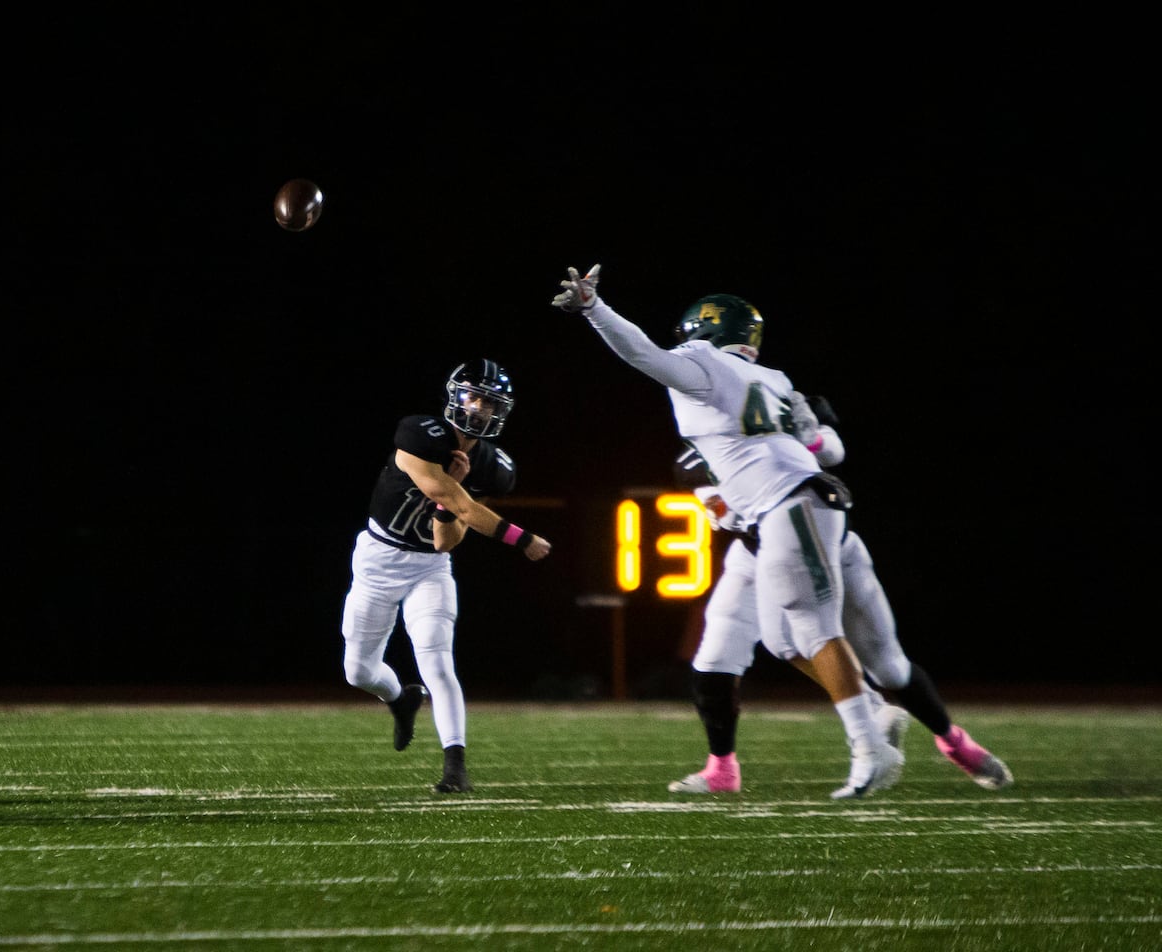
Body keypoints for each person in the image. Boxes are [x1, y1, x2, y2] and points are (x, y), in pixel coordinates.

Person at [553, 265, 902, 799]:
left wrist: (595, 310)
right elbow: (826, 450)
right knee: (785, 639)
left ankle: (870, 742)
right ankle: (869, 716)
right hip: (786, 506)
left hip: (791, 502)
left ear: (703, 332)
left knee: (811, 628)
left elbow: (643, 354)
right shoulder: (774, 379)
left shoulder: (704, 362)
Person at [667, 395, 1013, 794]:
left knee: (887, 666)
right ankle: (723, 769)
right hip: (754, 553)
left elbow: (831, 450)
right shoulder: (700, 444)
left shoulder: (777, 406)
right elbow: (718, 505)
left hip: (825, 544)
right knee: (723, 656)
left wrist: (809, 439)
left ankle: (954, 743)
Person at [339, 358, 552, 793]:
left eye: (491, 404)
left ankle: (455, 767)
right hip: (379, 559)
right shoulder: (419, 435)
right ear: (455, 395)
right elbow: (461, 504)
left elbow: (446, 540)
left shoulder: (492, 466)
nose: (480, 409)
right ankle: (401, 698)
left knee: (437, 660)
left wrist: (446, 506)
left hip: (429, 567)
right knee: (358, 672)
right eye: (474, 396)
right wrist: (521, 537)